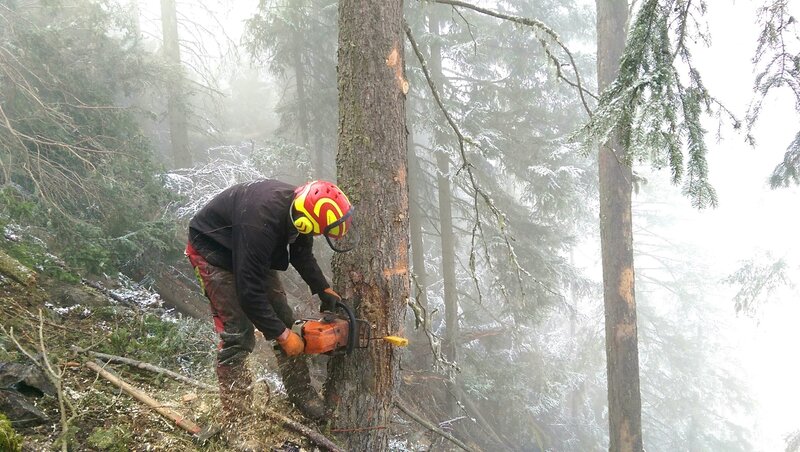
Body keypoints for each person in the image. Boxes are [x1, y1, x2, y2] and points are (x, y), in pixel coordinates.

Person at [184, 179, 354, 424]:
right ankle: (238, 421)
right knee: (238, 335)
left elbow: (301, 253)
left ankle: (301, 393)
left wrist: (322, 288)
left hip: (249, 250)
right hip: (213, 252)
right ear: (306, 219)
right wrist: (282, 337)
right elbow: (249, 292)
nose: (316, 234)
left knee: (285, 319)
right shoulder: (260, 223)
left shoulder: (299, 210)